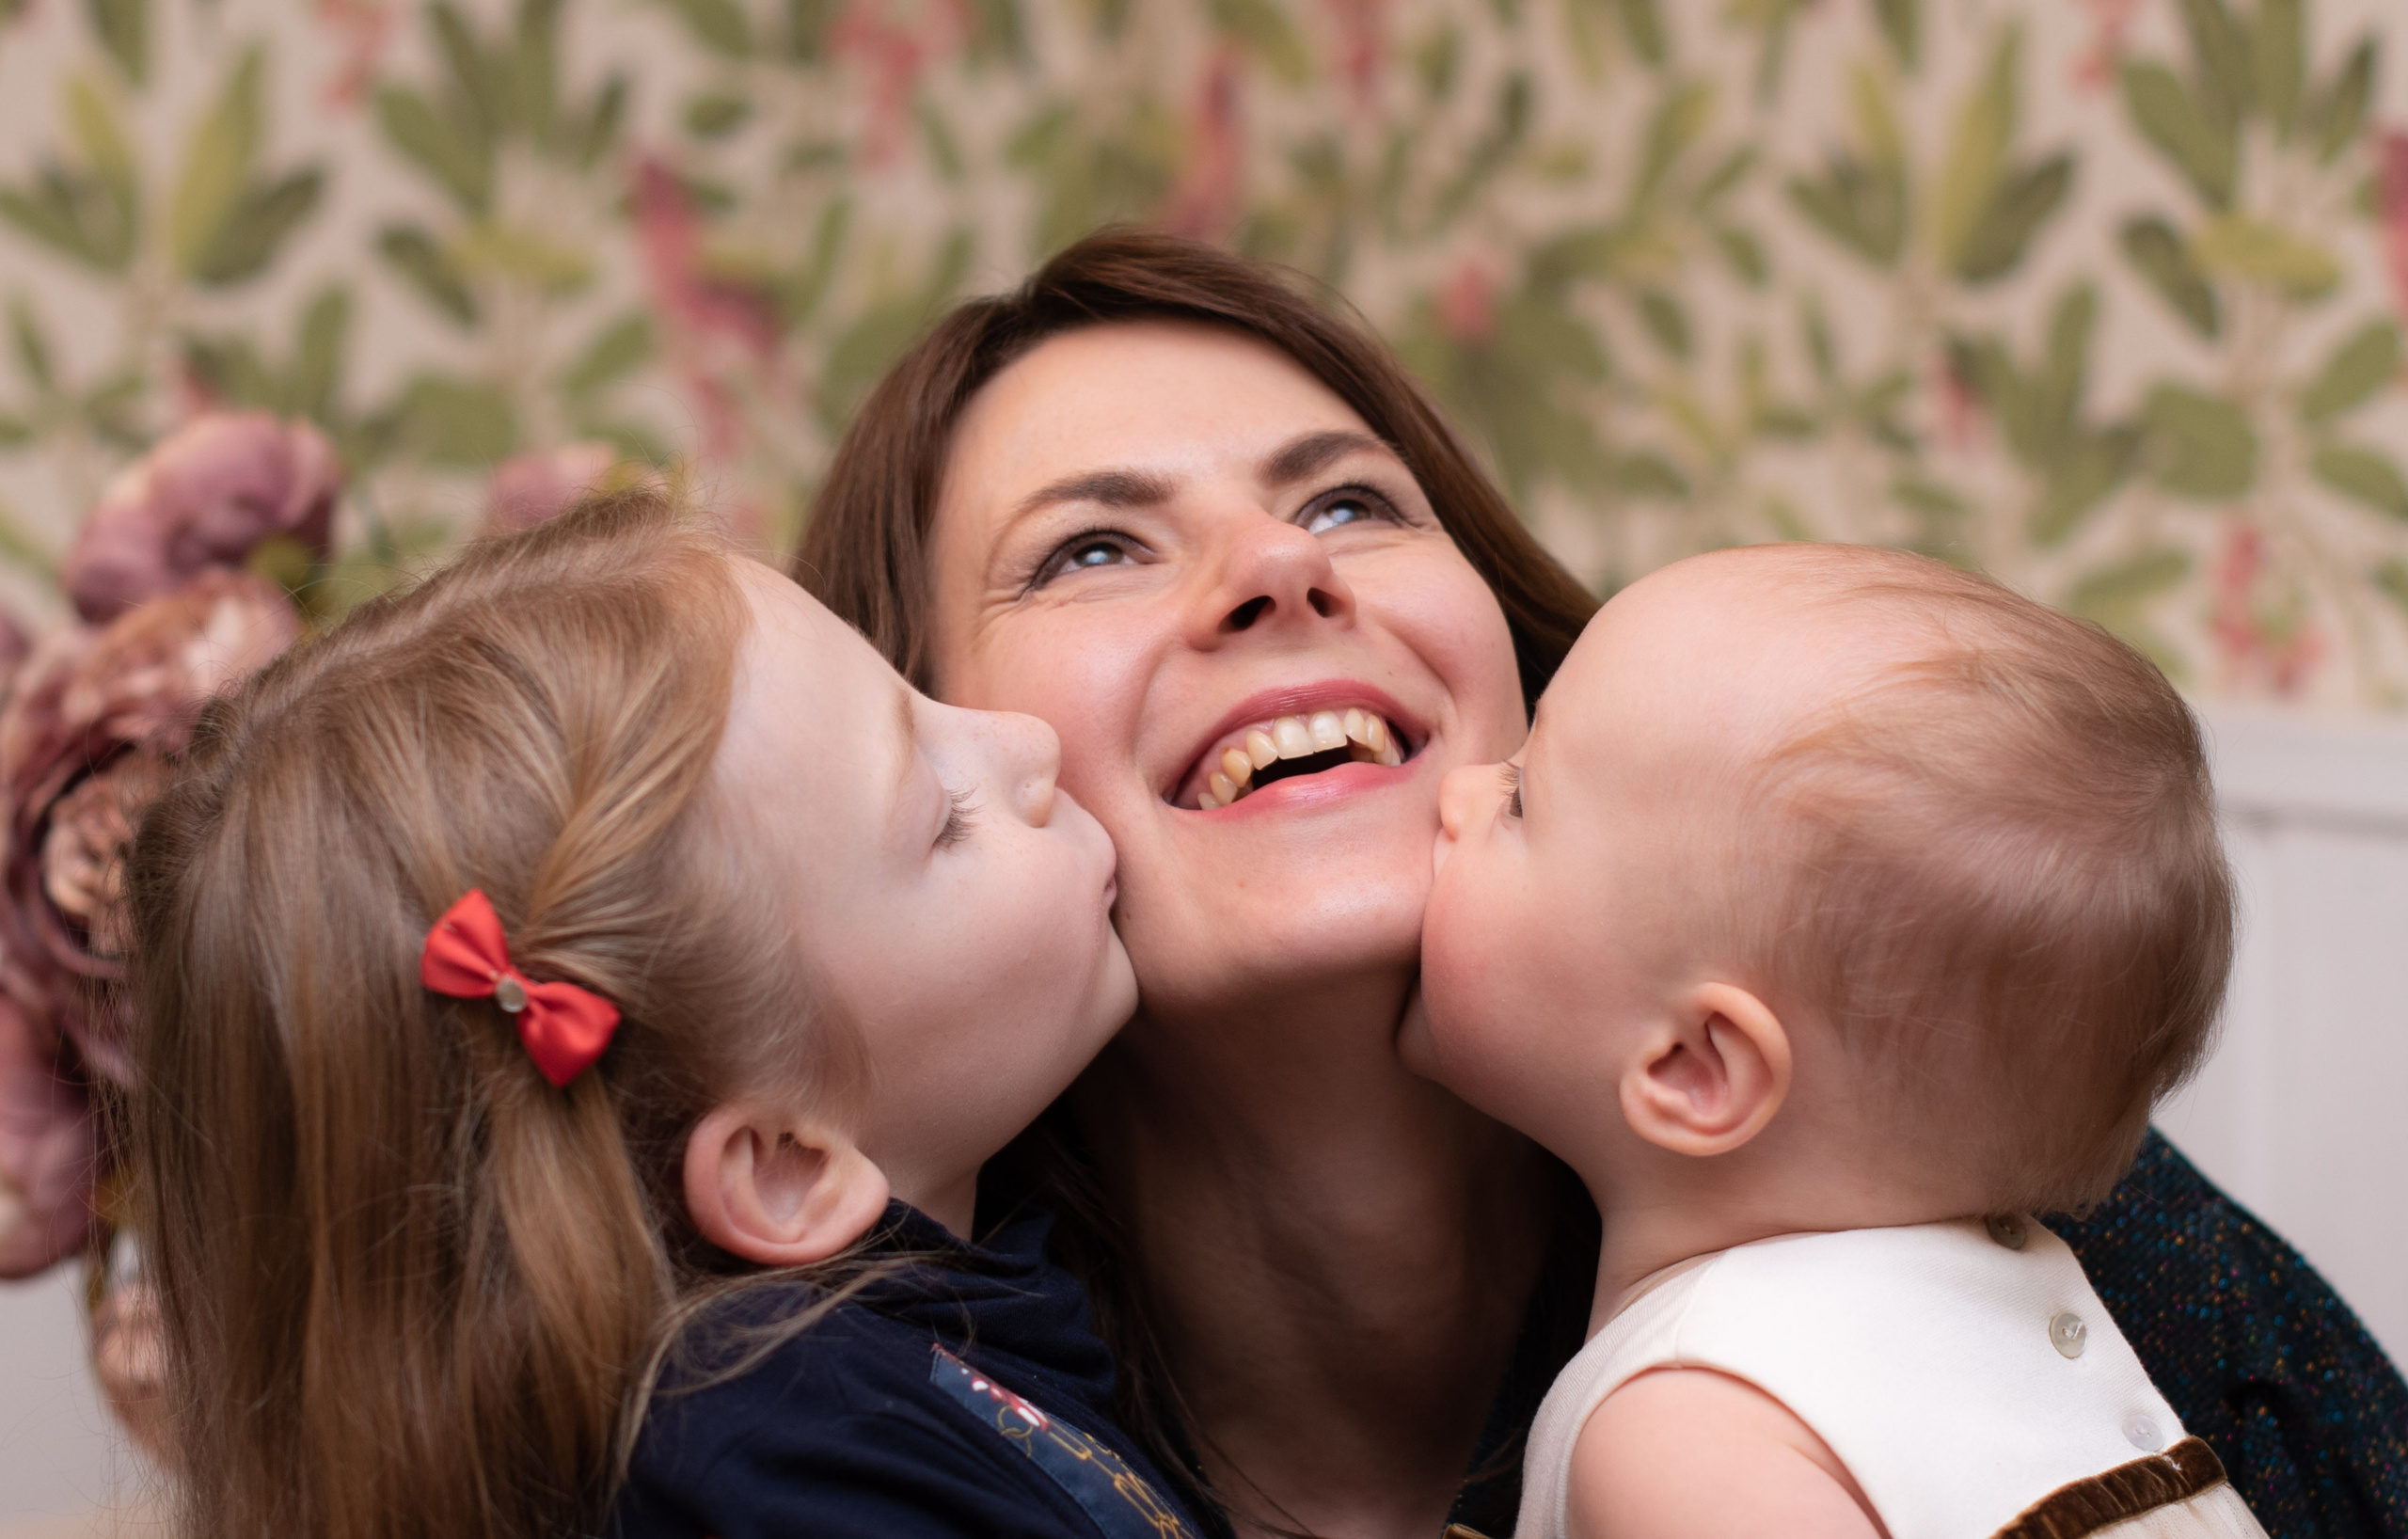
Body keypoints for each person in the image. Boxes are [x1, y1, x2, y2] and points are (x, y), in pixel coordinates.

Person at [794, 227, 2408, 1539]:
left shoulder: (1981, 1193)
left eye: (1349, 501)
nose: (1285, 566)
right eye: (1092, 546)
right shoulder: (851, 1435)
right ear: (922, 763)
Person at [124, 494, 1204, 1539]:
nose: (1026, 741)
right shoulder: (781, 1460)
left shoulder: (925, 1321)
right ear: (784, 1167)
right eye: (944, 819)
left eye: (915, 695)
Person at [1413, 543, 2265, 1539]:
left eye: (1520, 798)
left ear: (1695, 1068)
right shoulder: (2000, 1331)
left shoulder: (1690, 1437)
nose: (1456, 789)